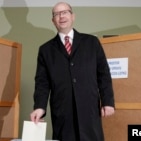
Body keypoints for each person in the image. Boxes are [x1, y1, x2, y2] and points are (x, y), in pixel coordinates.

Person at [30, 2, 115, 141]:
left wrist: (108, 101)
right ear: (53, 21)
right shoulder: (45, 50)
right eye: (56, 14)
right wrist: (40, 107)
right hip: (63, 114)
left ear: (73, 16)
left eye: (65, 12)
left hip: (90, 111)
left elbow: (103, 74)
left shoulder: (92, 42)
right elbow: (42, 83)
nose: (61, 16)